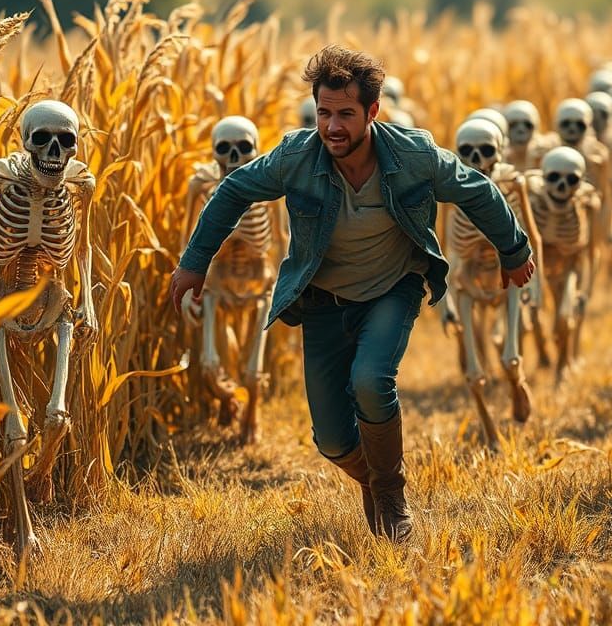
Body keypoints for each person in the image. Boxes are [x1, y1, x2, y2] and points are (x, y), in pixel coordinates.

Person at [169, 45, 535, 542]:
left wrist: (513, 251)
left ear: (372, 112)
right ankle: (376, 476)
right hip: (321, 300)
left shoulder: (415, 155)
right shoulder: (296, 158)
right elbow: (234, 190)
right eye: (324, 112)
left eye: (345, 113)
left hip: (392, 289)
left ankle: (390, 493)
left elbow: (476, 190)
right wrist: (195, 262)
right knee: (333, 441)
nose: (332, 126)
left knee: (371, 380)